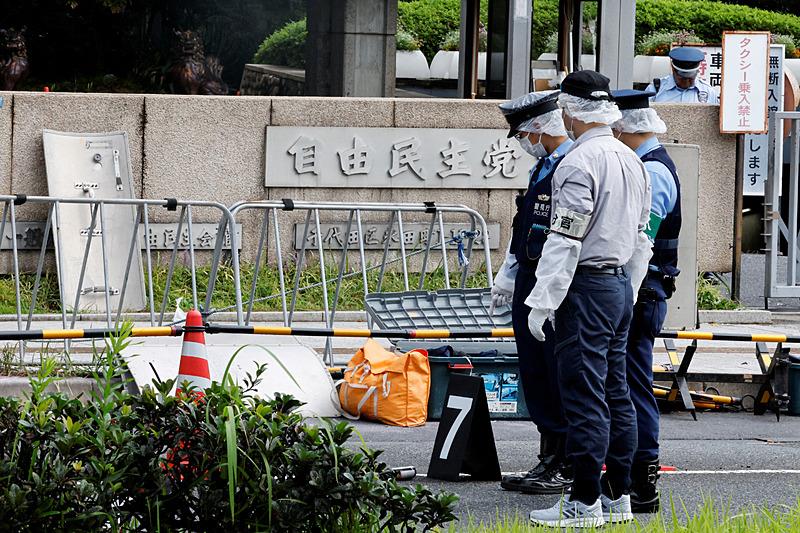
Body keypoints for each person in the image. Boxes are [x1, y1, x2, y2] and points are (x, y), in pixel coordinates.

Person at [525, 71, 652, 529]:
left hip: (585, 286)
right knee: (616, 392)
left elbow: (565, 239)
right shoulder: (629, 157)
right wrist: (629, 290)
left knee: (583, 394)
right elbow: (641, 237)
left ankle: (583, 503)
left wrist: (543, 300)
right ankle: (617, 496)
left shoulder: (578, 163)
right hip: (619, 284)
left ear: (569, 111)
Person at [492, 91, 574, 495]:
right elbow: (524, 224)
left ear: (541, 130)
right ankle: (548, 456)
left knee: (557, 372)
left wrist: (548, 290)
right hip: (530, 274)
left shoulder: (571, 166)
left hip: (554, 281)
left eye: (524, 134)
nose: (522, 143)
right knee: (535, 371)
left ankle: (566, 461)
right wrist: (508, 275)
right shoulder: (543, 167)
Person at [611, 89, 681, 514]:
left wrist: (624, 293)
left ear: (625, 129)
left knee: (633, 384)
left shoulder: (653, 172)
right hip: (645, 289)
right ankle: (633, 476)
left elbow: (642, 243)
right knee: (628, 381)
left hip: (643, 289)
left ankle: (642, 480)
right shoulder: (648, 164)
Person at [646, 47, 719, 104]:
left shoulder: (708, 92)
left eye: (691, 77)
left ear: (697, 71)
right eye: (682, 77)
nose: (687, 81)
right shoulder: (655, 89)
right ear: (673, 69)